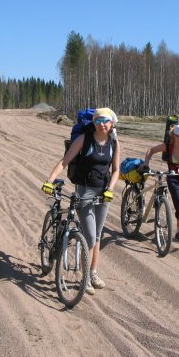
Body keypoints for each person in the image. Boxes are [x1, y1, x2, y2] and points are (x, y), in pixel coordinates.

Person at [42, 108, 120, 295]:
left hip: (104, 193)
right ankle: (85, 280)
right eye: (98, 120)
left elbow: (116, 170)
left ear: (112, 124)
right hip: (85, 191)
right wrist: (49, 181)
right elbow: (64, 161)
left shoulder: (114, 142)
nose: (102, 124)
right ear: (94, 122)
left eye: (105, 120)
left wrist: (110, 189)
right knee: (90, 237)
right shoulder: (84, 139)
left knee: (97, 235)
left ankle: (93, 273)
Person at [143, 124, 179, 241]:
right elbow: (151, 150)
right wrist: (146, 163)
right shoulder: (168, 146)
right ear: (176, 136)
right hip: (174, 177)